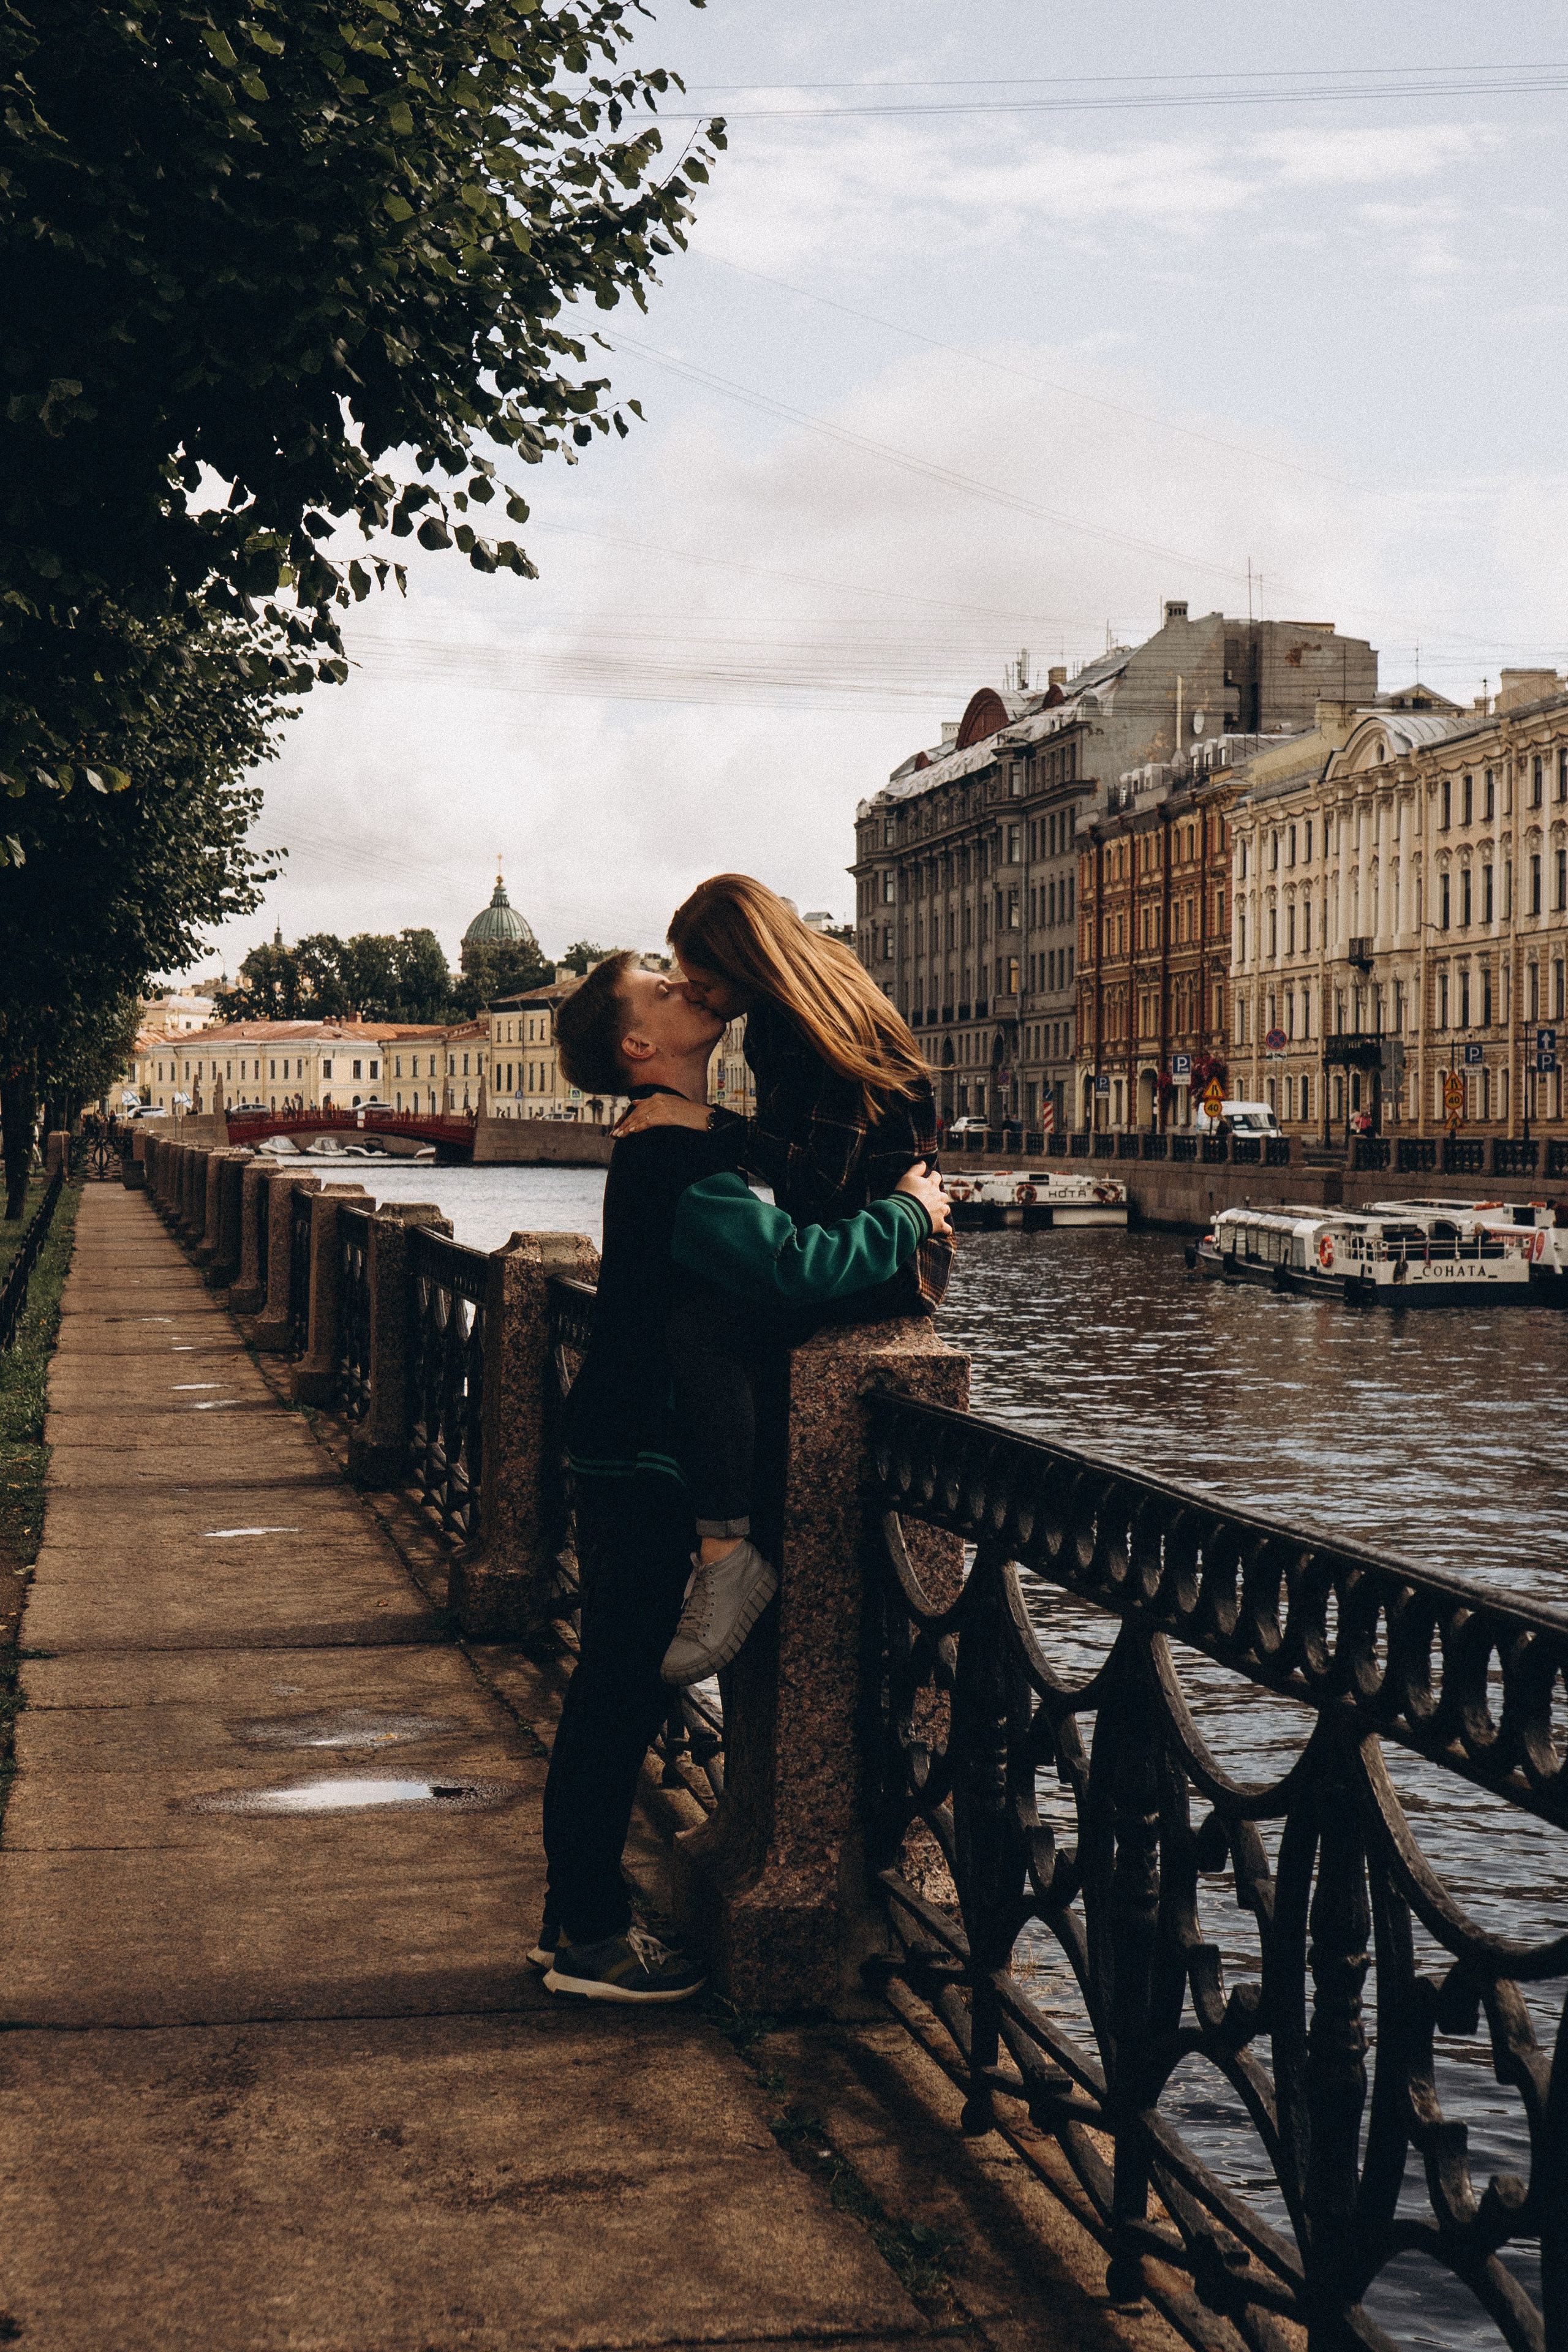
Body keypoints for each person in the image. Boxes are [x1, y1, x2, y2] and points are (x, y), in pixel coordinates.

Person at [537, 956, 949, 2005]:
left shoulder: (676, 1139)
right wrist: (909, 1214)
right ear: (641, 1046)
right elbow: (792, 1266)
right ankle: (588, 1936)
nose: (685, 985)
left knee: (611, 1689)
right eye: (659, 986)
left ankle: (573, 1917)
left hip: (621, 1440)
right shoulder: (677, 1162)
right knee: (617, 1697)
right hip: (642, 1453)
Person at [614, 876, 952, 1643]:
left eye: (705, 984)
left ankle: (726, 1553)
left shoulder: (812, 1024)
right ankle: (723, 1538)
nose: (699, 997)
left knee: (702, 1329)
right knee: (710, 1307)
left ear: (746, 963)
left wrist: (706, 1123)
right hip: (854, 1242)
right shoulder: (799, 1000)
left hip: (889, 1257)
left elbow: (821, 1181)